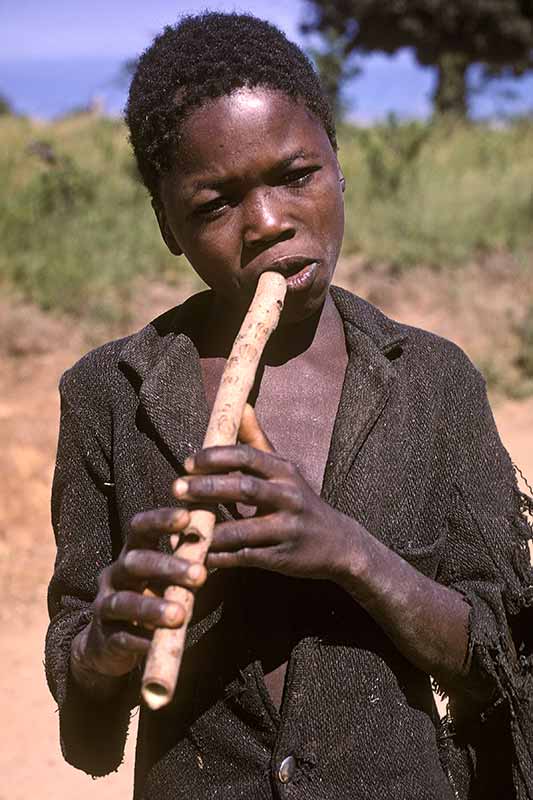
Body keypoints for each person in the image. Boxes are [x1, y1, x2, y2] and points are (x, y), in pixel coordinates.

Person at [45, 12, 533, 800]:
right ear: (167, 226)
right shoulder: (109, 392)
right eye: (214, 204)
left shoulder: (435, 380)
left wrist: (350, 554)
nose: (268, 223)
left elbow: (500, 665)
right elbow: (88, 734)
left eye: (296, 175)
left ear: (338, 167)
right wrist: (101, 650)